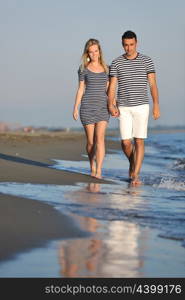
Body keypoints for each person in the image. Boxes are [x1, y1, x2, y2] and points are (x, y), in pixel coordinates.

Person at [108, 30, 160, 186]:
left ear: (136, 43)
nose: (128, 48)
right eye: (125, 45)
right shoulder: (116, 62)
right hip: (123, 107)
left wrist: (156, 104)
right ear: (122, 45)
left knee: (139, 140)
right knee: (125, 142)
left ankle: (135, 175)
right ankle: (133, 162)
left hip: (142, 106)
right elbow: (112, 86)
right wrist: (111, 104)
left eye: (131, 45)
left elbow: (152, 84)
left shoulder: (147, 61)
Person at [73, 39, 110, 179]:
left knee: (100, 139)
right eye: (91, 51)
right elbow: (81, 89)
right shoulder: (83, 69)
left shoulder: (107, 69)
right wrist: (75, 108)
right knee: (91, 142)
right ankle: (91, 164)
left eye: (96, 51)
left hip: (102, 108)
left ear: (99, 51)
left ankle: (99, 170)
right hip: (87, 107)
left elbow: (108, 90)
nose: (94, 54)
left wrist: (113, 104)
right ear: (87, 53)